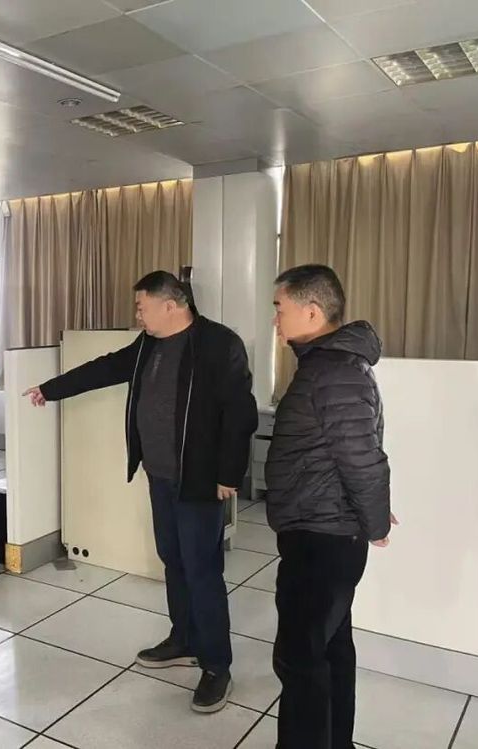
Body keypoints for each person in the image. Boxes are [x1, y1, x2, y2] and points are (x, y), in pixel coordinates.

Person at [24, 270, 258, 713]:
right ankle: (183, 639)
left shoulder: (218, 344)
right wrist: (50, 390)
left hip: (199, 480)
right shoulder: (148, 344)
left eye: (141, 307)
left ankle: (216, 666)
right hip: (160, 475)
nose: (138, 315)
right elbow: (106, 367)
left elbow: (240, 414)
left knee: (202, 570)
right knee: (173, 559)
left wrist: (230, 474)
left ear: (170, 305)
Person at [266, 264, 396, 749]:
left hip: (321, 539)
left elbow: (362, 458)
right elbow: (346, 453)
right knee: (329, 649)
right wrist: (368, 511)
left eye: (280, 308)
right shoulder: (330, 366)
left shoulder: (332, 371)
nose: (275, 319)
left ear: (312, 312)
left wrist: (375, 522)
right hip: (324, 530)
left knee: (300, 660)